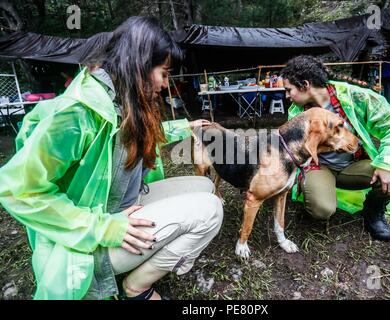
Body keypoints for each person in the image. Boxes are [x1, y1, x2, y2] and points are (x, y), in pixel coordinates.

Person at [0, 17, 223, 300]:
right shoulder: (77, 112)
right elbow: (15, 189)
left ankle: (133, 267)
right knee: (211, 210)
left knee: (204, 188)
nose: (166, 84)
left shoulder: (121, 101)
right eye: (164, 73)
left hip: (121, 206)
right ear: (140, 64)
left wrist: (184, 127)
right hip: (89, 239)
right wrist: (104, 227)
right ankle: (136, 289)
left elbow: (128, 140)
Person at [280, 55, 390, 241]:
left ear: (304, 85)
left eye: (289, 90)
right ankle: (319, 191)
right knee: (321, 210)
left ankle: (373, 211)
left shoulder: (355, 97)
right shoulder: (297, 112)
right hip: (320, 167)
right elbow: (294, 148)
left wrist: (387, 163)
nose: (287, 96)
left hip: (353, 164)